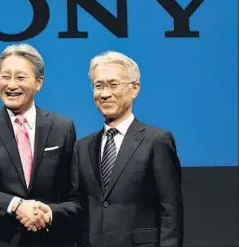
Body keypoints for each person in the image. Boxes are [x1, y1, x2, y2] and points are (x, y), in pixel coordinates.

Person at [40, 50, 184, 247]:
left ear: (135, 88)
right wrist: (49, 212)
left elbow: (171, 209)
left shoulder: (157, 140)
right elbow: (77, 203)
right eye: (98, 86)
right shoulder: (82, 147)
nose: (105, 93)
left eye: (113, 84)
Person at [0, 43, 80, 246]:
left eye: (20, 77)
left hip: (48, 239)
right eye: (5, 76)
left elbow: (74, 195)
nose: (11, 85)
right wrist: (16, 205)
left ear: (39, 82)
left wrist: (49, 213)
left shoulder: (62, 127)